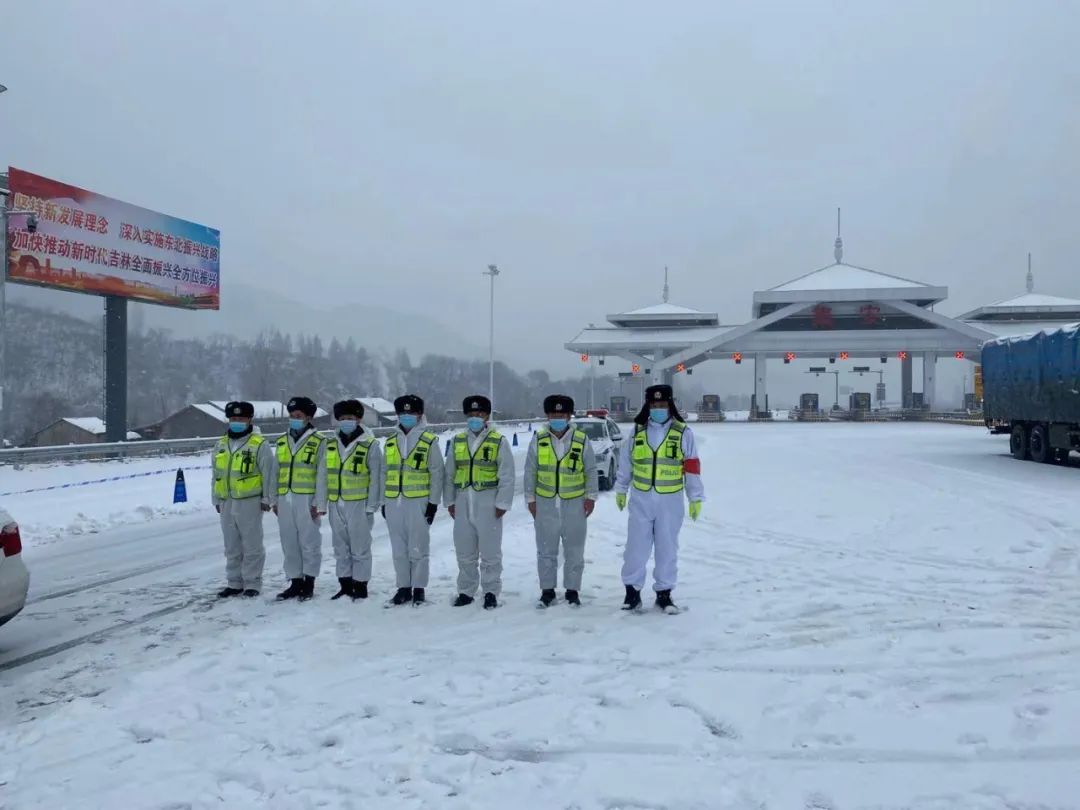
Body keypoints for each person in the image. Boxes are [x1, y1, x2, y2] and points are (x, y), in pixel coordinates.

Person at [614, 384, 704, 614]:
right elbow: (626, 462)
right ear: (648, 405)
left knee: (667, 548)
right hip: (641, 499)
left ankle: (664, 594)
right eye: (654, 405)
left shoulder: (683, 433)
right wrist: (621, 489)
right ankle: (632, 593)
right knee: (636, 548)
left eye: (662, 405)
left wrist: (695, 497)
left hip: (670, 501)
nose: (658, 409)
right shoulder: (636, 432)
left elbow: (692, 465)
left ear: (670, 405)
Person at [524, 394, 597, 607]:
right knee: (546, 550)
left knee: (574, 549)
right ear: (547, 416)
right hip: (545, 502)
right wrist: (531, 498)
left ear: (569, 416)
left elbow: (591, 470)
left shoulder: (581, 440)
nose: (558, 418)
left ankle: (572, 590)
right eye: (554, 414)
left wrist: (590, 497)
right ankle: (547, 591)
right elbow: (531, 471)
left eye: (562, 414)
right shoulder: (538, 439)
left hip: (574, 503)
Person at [444, 395, 515, 609]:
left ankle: (491, 591)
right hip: (464, 499)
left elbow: (507, 474)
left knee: (490, 552)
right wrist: (450, 501)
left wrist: (502, 503)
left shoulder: (498, 441)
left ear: (487, 416)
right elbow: (449, 474)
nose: (475, 418)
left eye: (480, 414)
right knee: (464, 551)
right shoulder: (457, 441)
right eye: (472, 414)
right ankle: (466, 591)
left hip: (488, 500)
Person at [382, 394, 443, 606]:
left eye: (411, 413)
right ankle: (403, 587)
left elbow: (437, 473)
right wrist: (384, 501)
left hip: (418, 502)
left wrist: (433, 503)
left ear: (419, 415)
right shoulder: (390, 442)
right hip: (393, 502)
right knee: (398, 548)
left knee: (418, 547)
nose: (406, 416)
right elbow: (384, 473)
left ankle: (419, 588)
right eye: (402, 413)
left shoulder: (429, 441)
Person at [211, 401, 274, 598]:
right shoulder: (221, 444)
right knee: (231, 545)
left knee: (252, 544)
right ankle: (234, 582)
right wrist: (216, 498)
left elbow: (268, 474)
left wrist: (267, 498)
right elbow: (216, 474)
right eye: (233, 419)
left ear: (250, 420)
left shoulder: (259, 445)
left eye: (241, 419)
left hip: (250, 501)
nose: (236, 422)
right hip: (227, 500)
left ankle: (252, 583)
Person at [326, 399, 383, 601]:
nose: (346, 422)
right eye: (342, 419)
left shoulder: (370, 445)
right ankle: (345, 584)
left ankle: (360, 585)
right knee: (340, 547)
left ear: (359, 419)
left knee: (360, 547)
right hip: (336, 502)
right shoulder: (331, 443)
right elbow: (324, 474)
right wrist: (321, 501)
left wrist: (372, 504)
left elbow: (377, 476)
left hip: (359, 502)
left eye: (350, 418)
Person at [274, 396, 328, 601]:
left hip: (306, 500)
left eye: (298, 416)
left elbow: (322, 475)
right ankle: (295, 582)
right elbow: (275, 472)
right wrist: (274, 499)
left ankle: (309, 582)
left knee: (309, 542)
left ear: (308, 417)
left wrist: (319, 503)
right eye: (291, 415)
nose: (294, 419)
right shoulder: (282, 441)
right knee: (289, 542)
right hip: (285, 499)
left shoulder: (319, 442)